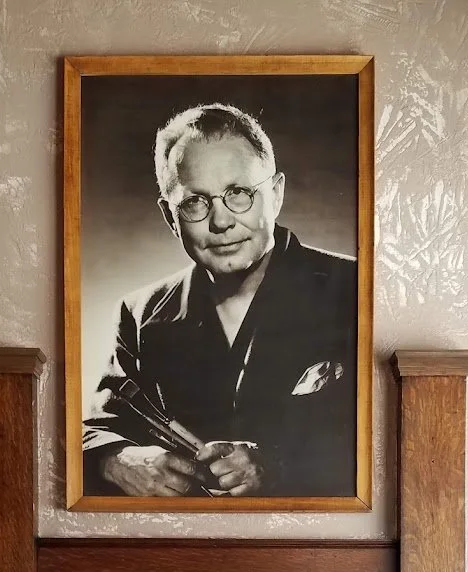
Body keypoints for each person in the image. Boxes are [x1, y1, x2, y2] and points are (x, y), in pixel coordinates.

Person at [83, 103, 357, 497]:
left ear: (276, 194)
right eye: (194, 202)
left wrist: (279, 464)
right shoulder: (138, 313)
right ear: (170, 217)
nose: (221, 221)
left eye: (239, 193)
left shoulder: (357, 290)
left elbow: (387, 438)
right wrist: (119, 461)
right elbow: (97, 428)